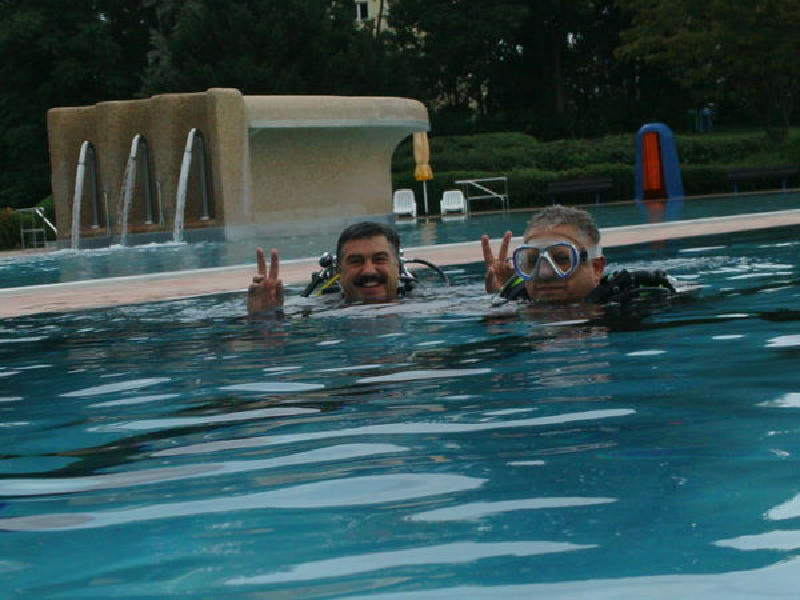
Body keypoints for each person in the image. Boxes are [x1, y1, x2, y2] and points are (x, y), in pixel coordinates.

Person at [481, 204, 676, 306]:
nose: (544, 273)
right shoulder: (515, 301)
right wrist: (498, 297)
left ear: (596, 268)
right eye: (532, 261)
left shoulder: (634, 302)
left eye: (561, 259)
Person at [248, 221, 403, 316]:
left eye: (379, 259)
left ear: (397, 265)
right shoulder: (313, 310)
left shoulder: (417, 305)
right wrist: (263, 317)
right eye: (356, 261)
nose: (368, 270)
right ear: (339, 270)